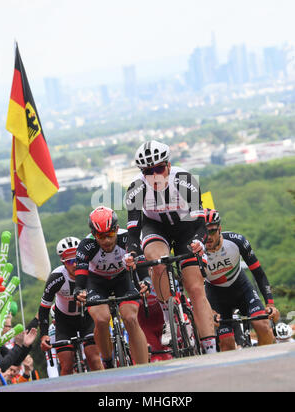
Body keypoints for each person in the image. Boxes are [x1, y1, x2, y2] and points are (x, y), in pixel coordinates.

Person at [124, 140, 216, 354]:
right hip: (156, 227)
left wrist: (199, 241)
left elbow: (200, 222)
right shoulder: (135, 189)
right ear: (142, 173)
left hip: (186, 228)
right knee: (156, 260)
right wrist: (131, 253)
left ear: (168, 164)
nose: (155, 175)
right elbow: (133, 231)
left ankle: (210, 349)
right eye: (148, 171)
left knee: (195, 288)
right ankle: (169, 316)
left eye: (159, 168)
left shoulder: (184, 180)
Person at [74, 206, 149, 368]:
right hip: (96, 282)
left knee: (130, 318)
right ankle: (107, 361)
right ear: (94, 234)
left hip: (123, 279)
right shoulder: (86, 245)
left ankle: (145, 367)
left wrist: (145, 280)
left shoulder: (127, 238)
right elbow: (80, 273)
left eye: (110, 234)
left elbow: (140, 262)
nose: (106, 241)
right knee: (101, 319)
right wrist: (78, 290)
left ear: (116, 229)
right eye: (101, 236)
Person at [202, 208, 279, 351]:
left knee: (263, 327)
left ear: (220, 229)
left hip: (241, 287)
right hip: (216, 296)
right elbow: (196, 286)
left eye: (212, 231)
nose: (208, 237)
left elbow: (258, 273)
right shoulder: (197, 252)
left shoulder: (236, 241)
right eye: (203, 232)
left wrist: (270, 303)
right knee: (227, 343)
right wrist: (209, 310)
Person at [39, 237, 103, 375]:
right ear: (63, 262)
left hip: (87, 318)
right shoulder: (57, 277)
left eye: (77, 260)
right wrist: (43, 334)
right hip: (64, 322)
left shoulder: (91, 272)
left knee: (94, 359)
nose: (74, 265)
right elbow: (43, 308)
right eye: (70, 261)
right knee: (66, 365)